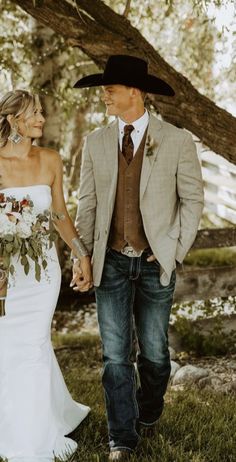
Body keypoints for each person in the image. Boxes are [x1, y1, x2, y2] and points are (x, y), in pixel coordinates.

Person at [72, 55, 204, 461]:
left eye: (110, 89)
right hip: (109, 260)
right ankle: (122, 438)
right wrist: (82, 256)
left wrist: (175, 250)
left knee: (156, 356)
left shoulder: (177, 141)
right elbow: (87, 205)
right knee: (115, 355)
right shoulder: (95, 143)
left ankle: (149, 410)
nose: (104, 95)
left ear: (134, 91)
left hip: (154, 263)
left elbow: (193, 200)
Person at [0, 89, 93, 462]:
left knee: (35, 346)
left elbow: (58, 215)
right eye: (33, 113)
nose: (41, 119)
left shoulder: (51, 159)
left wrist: (80, 252)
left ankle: (34, 441)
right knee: (7, 348)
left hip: (41, 274)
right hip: (5, 273)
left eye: (40, 112)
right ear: (11, 120)